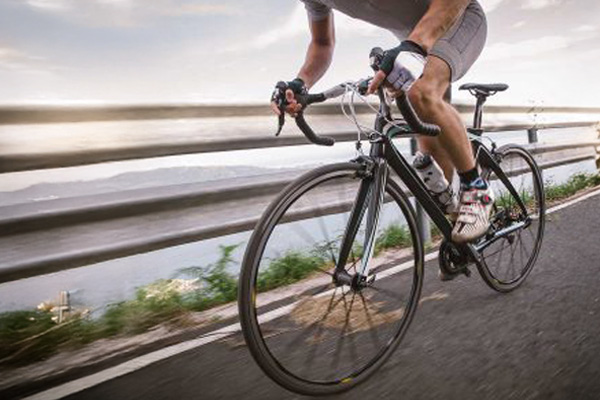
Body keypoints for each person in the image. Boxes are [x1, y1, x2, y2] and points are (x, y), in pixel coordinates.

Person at [270, 0, 494, 250]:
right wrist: (302, 82)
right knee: (430, 156)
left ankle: (478, 190)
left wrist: (415, 45)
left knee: (421, 93)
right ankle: (457, 234)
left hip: (457, 17)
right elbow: (322, 43)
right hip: (413, 35)